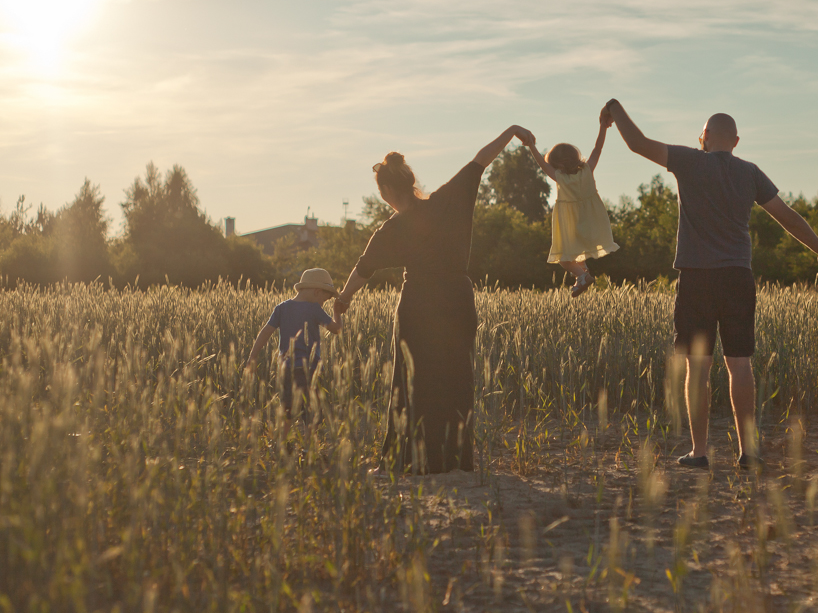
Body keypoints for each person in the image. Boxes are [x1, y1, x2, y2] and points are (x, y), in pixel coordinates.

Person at [604, 100, 818, 470]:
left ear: (705, 137)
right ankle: (749, 452)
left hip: (696, 276)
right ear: (737, 141)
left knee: (698, 367)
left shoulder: (689, 160)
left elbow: (637, 143)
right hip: (737, 276)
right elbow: (787, 218)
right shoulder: (751, 173)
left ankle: (699, 452)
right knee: (739, 363)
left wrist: (615, 109)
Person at [333, 125, 535, 474]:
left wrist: (343, 301)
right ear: (411, 181)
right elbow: (480, 162)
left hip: (419, 305)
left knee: (411, 380)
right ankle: (454, 460)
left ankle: (407, 460)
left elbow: (363, 270)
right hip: (458, 299)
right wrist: (512, 132)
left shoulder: (391, 230)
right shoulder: (447, 200)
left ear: (384, 192)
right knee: (456, 379)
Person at [525, 108, 620, 296]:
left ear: (558, 164)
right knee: (579, 255)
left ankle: (582, 276)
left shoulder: (559, 177)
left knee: (563, 259)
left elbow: (540, 164)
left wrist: (531, 146)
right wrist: (603, 127)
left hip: (570, 224)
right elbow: (597, 148)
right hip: (591, 221)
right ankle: (582, 275)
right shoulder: (587, 170)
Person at [245, 267, 344, 444]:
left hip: (286, 369)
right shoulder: (314, 309)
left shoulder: (281, 308)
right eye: (325, 299)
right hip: (308, 369)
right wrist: (337, 312)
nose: (324, 302)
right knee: (311, 412)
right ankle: (308, 449)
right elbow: (336, 330)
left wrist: (252, 357)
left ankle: (280, 445)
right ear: (316, 291)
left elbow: (265, 332)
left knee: (287, 409)